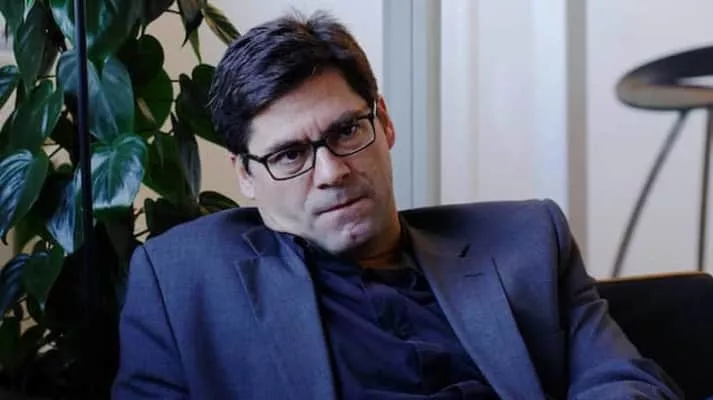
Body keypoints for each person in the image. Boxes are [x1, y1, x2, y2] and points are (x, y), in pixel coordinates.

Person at [112, 11, 681, 400]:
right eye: (289, 155)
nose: (332, 173)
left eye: (346, 131)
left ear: (383, 121)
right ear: (245, 174)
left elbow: (622, 380)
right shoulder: (181, 282)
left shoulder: (527, 241)